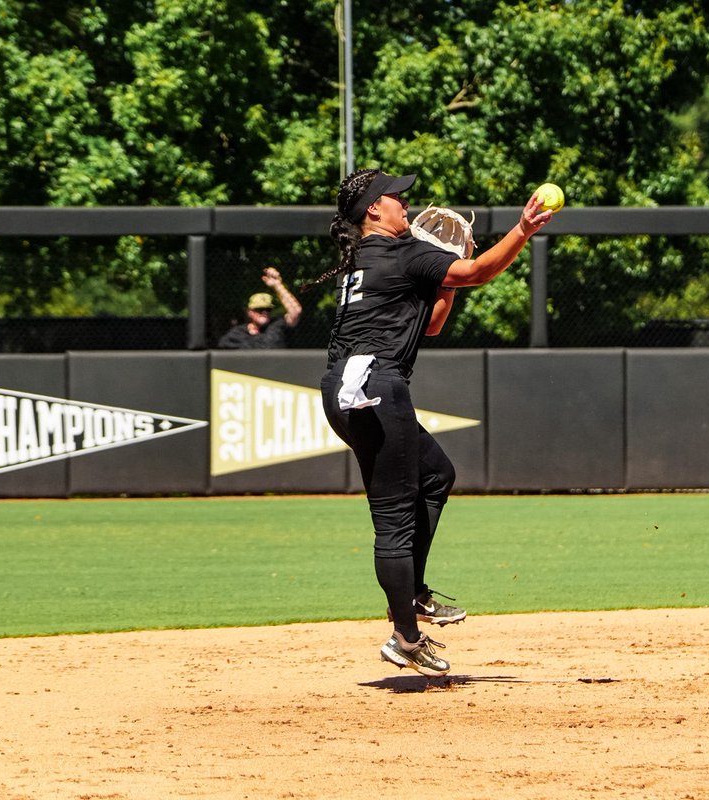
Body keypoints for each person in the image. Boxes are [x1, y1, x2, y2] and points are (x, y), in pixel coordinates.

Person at [314, 168, 553, 677]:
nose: (404, 203)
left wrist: (442, 270)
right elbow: (478, 274)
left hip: (347, 387)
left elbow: (436, 320)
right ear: (372, 210)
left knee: (436, 475)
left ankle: (412, 597)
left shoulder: (365, 257)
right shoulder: (400, 253)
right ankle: (405, 634)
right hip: (375, 388)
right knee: (394, 521)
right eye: (395, 197)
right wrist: (523, 230)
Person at [216, 267, 303, 349]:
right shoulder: (237, 334)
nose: (264, 312)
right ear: (250, 312)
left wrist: (277, 285)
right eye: (260, 309)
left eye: (268, 309)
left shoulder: (277, 325)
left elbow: (296, 311)